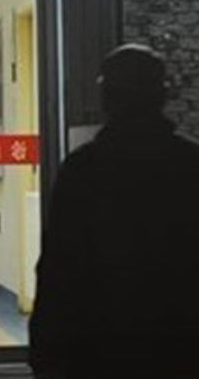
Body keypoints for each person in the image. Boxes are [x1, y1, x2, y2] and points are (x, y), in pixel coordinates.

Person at [29, 44, 199, 379]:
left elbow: (59, 270)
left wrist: (45, 350)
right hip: (180, 346)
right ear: (163, 95)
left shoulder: (82, 171)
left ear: (106, 98)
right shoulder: (191, 165)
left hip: (97, 349)